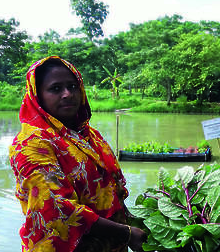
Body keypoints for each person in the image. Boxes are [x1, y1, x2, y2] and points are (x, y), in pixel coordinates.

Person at [9, 56, 146, 252]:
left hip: (110, 244)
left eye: (72, 87)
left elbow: (112, 191)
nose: (67, 94)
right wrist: (127, 233)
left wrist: (139, 222)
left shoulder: (88, 135)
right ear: (38, 95)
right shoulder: (31, 145)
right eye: (55, 89)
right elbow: (57, 208)